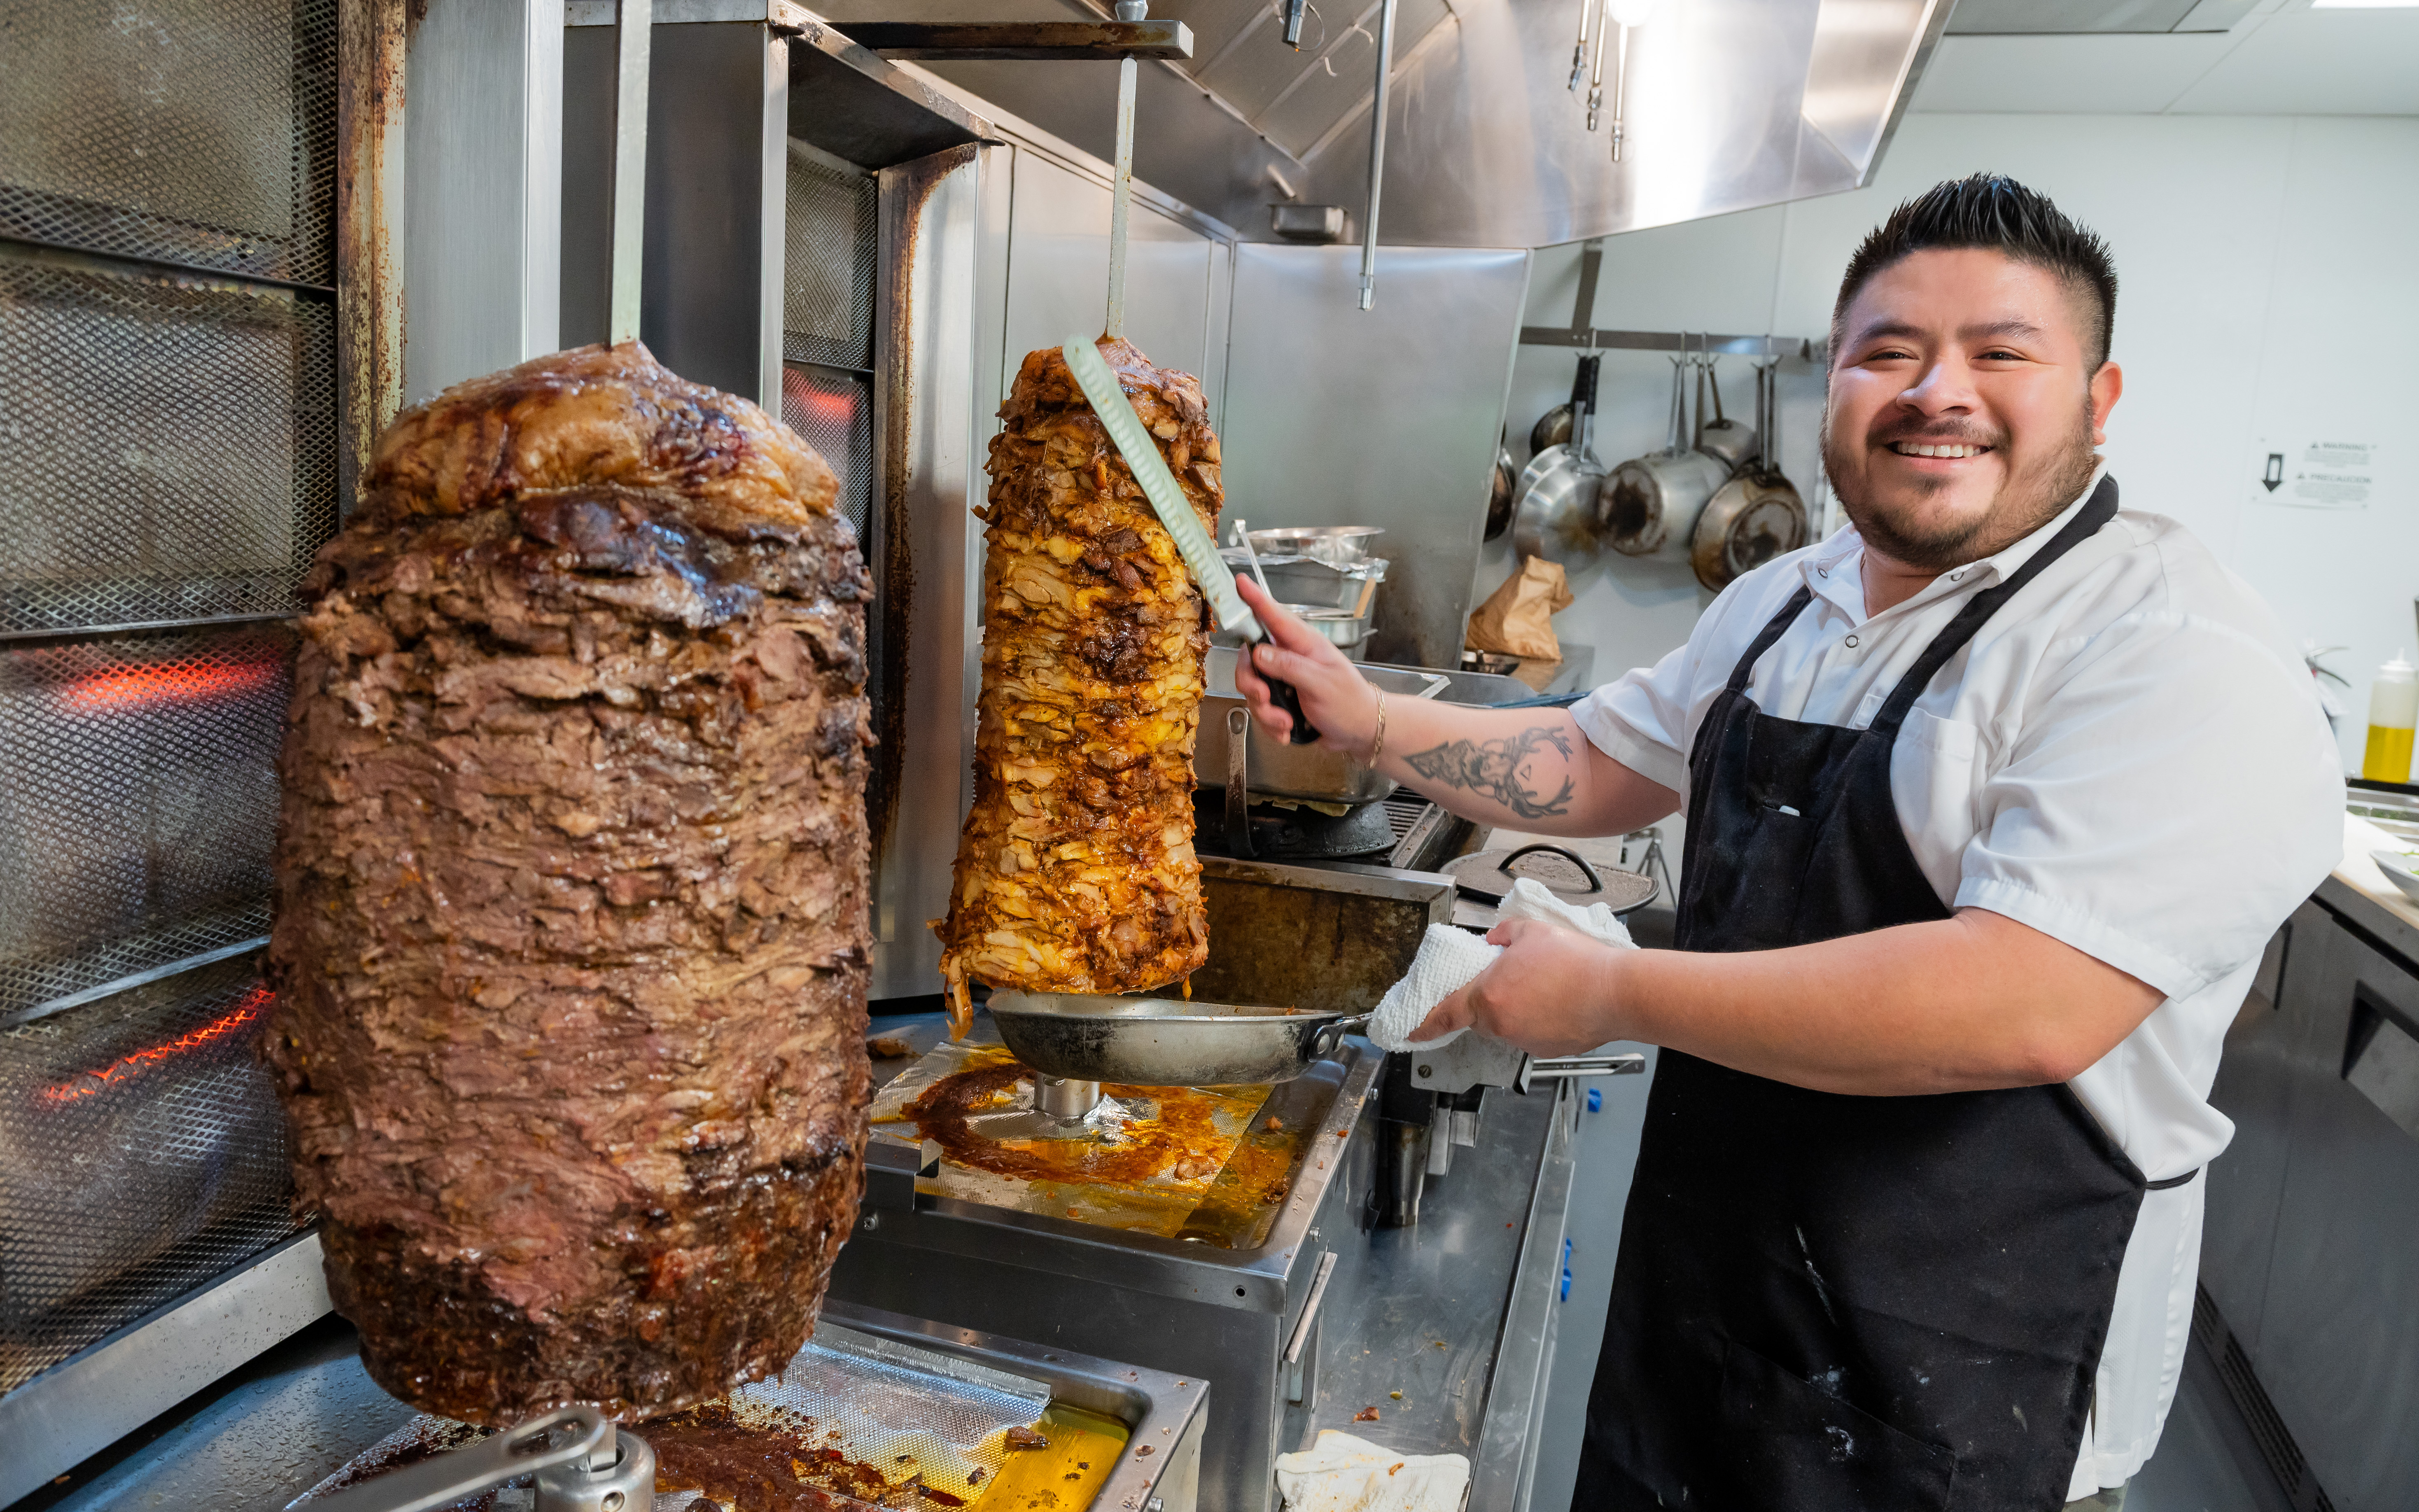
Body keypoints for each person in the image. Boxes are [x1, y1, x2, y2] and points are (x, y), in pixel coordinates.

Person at [1232, 174, 2343, 1511]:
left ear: (2097, 401)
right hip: (1710, 1305)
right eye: (1889, 352)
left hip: (1966, 1372)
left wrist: (1612, 990)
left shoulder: (2170, 648)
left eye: (2000, 353)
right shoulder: (1786, 597)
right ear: (1836, 386)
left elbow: (2023, 1004)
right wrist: (1368, 721)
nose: (1937, 391)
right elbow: (1594, 760)